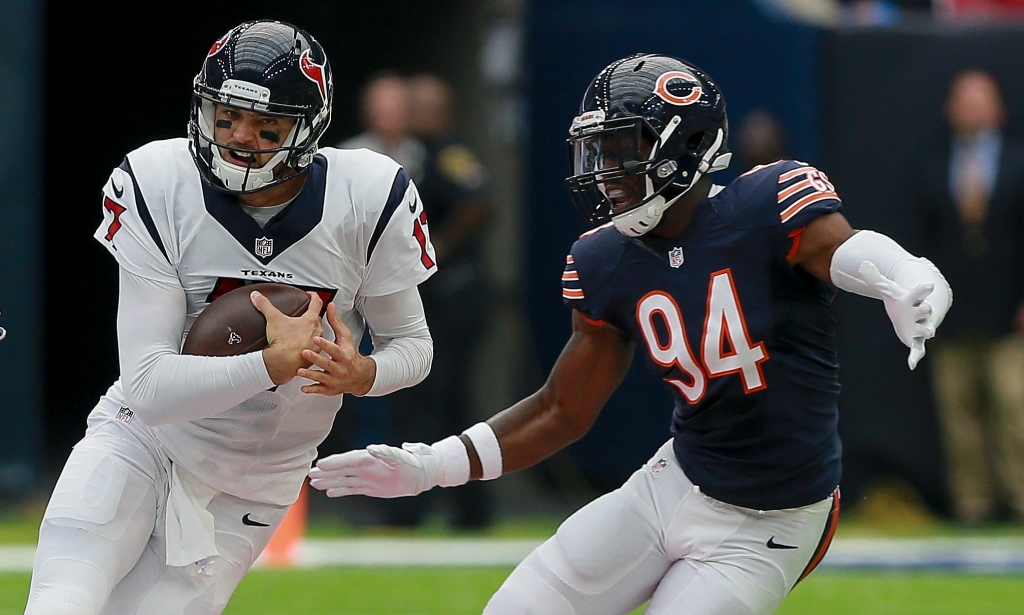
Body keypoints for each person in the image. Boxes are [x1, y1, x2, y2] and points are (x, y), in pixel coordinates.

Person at [309, 53, 952, 614]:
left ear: (686, 146)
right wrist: (431, 465)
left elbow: (841, 247)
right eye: (598, 152)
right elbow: (562, 409)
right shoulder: (605, 260)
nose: (605, 172)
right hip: (674, 482)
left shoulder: (764, 204)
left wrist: (905, 276)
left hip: (774, 517)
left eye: (622, 150)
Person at [24, 19, 436, 615]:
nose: (241, 137)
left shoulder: (370, 193)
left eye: (267, 125)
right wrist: (272, 363)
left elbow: (414, 346)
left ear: (309, 126)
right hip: (143, 438)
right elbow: (148, 387)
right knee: (62, 602)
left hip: (255, 478)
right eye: (227, 117)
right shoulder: (157, 180)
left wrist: (364, 374)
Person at [371, 72, 496, 529]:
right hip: (439, 298)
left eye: (418, 104)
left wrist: (435, 248)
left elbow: (477, 200)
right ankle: (457, 509)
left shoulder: (449, 153)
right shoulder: (416, 154)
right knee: (438, 400)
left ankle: (417, 507)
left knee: (434, 398)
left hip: (454, 296)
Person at [908, 69, 1024, 525]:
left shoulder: (1018, 160)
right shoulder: (931, 166)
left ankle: (1018, 497)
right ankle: (972, 503)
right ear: (950, 110)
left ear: (999, 109)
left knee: (1014, 406)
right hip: (952, 311)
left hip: (1009, 310)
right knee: (958, 411)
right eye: (964, 100)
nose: (972, 109)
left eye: (981, 100)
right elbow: (923, 239)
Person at [339, 72, 426, 183]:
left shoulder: (422, 154)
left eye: (395, 106)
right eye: (382, 108)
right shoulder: (346, 155)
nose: (389, 113)